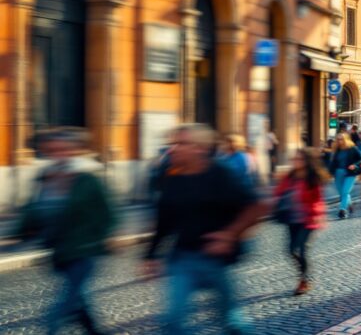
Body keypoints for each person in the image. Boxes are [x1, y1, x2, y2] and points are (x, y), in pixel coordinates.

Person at [143, 124, 263, 334]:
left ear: (199, 148)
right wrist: (150, 255)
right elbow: (164, 220)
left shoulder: (220, 173)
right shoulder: (173, 177)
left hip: (215, 260)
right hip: (183, 257)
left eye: (181, 144)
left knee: (232, 322)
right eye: (173, 143)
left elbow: (256, 205)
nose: (174, 149)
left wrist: (229, 235)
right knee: (173, 321)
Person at [17, 128, 115, 335]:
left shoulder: (87, 179)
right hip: (59, 251)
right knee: (78, 299)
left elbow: (107, 212)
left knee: (61, 306)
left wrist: (104, 236)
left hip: (84, 251)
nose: (57, 154)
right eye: (52, 150)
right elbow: (34, 207)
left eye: (62, 150)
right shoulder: (45, 176)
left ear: (74, 151)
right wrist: (24, 228)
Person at [274, 148, 330, 295]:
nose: (295, 161)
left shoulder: (313, 178)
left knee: (302, 250)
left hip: (309, 219)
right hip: (292, 219)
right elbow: (278, 192)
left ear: (306, 161)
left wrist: (316, 214)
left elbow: (318, 200)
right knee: (292, 251)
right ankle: (305, 276)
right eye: (294, 159)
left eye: (299, 159)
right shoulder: (290, 176)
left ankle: (304, 280)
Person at [330, 132, 361, 219]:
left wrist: (355, 165)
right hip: (338, 173)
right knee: (342, 193)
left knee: (345, 191)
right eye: (338, 139)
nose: (339, 141)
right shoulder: (336, 150)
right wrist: (331, 172)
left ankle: (342, 210)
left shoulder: (352, 148)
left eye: (341, 139)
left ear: (345, 139)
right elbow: (333, 162)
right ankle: (349, 204)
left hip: (350, 173)